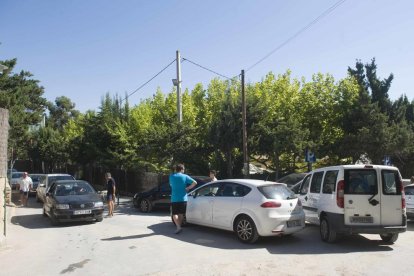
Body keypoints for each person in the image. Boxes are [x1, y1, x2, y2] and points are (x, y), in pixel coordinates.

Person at [170, 164, 197, 234]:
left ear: (176, 169)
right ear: (181, 169)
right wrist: (188, 188)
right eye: (184, 169)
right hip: (183, 199)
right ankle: (179, 227)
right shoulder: (185, 176)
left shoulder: (171, 176)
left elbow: (171, 185)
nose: (184, 170)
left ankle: (178, 227)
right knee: (181, 214)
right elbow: (195, 182)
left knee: (174, 214)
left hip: (174, 198)